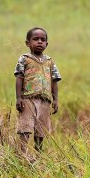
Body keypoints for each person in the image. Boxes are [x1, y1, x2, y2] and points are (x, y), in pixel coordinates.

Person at [14, 27, 62, 159]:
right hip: (28, 98)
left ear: (47, 44)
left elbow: (54, 82)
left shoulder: (50, 62)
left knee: (41, 129)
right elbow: (19, 78)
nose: (39, 42)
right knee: (26, 126)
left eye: (43, 40)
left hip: (45, 101)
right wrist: (19, 98)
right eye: (35, 39)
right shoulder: (24, 59)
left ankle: (39, 155)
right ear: (28, 43)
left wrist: (56, 100)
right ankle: (22, 154)